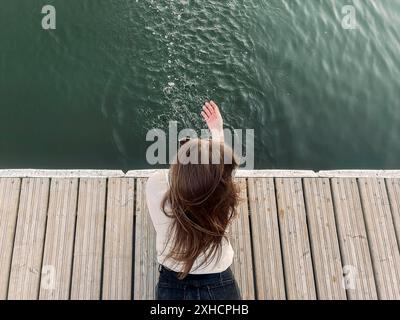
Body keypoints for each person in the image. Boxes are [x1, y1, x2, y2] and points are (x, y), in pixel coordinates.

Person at [146, 101, 242, 300]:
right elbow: (221, 175)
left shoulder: (156, 185)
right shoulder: (224, 196)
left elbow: (174, 177)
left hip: (173, 278)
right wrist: (217, 132)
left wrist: (191, 160)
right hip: (219, 279)